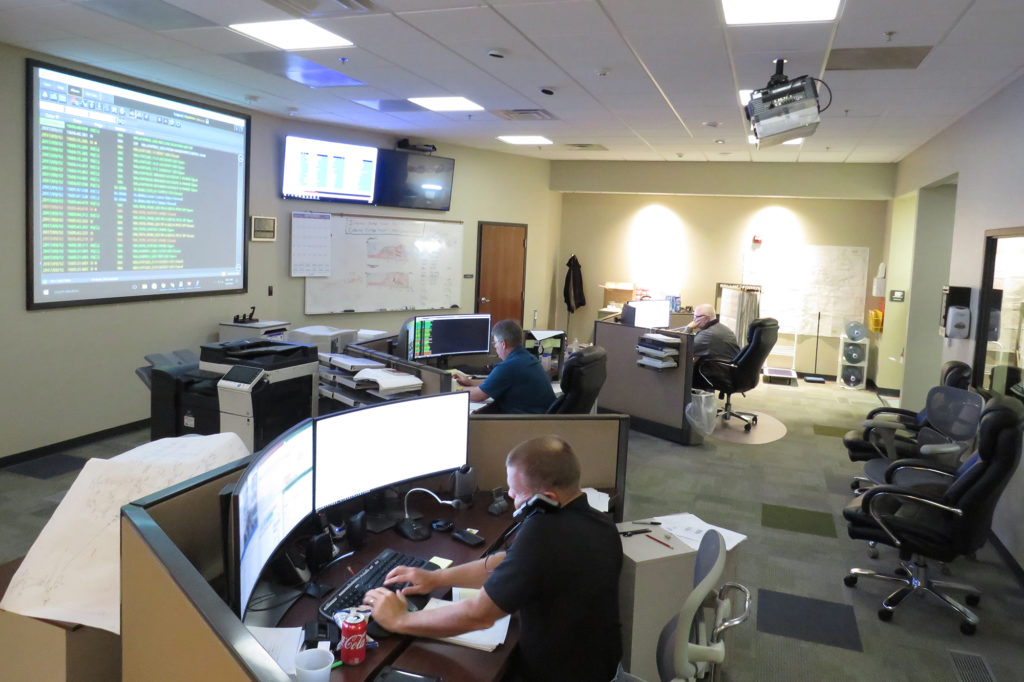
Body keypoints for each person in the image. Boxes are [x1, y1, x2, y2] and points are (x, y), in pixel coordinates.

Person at [363, 436, 623, 682]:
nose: (510, 496)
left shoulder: (543, 534)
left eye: (517, 492)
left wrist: (399, 620)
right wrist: (436, 578)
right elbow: (508, 562)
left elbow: (478, 615)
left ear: (547, 499)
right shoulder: (599, 522)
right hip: (600, 667)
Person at [454, 319, 556, 414]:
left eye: (495, 343)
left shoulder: (508, 367)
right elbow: (495, 381)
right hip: (543, 419)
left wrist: (453, 387)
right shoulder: (528, 358)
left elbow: (477, 395)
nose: (495, 347)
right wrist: (470, 382)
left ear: (503, 344)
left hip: (527, 423)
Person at [686, 303, 740, 390]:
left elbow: (686, 349)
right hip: (730, 371)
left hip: (720, 372)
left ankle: (692, 401)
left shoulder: (708, 334)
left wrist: (688, 328)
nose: (693, 320)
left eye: (696, 317)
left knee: (685, 373)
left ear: (706, 318)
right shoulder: (722, 328)